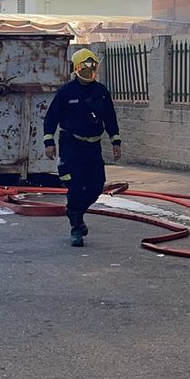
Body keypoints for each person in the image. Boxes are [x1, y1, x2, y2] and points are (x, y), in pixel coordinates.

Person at [43, 49, 121, 247]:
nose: (89, 71)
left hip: (93, 146)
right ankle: (76, 227)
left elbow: (110, 118)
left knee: (96, 184)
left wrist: (116, 141)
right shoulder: (66, 92)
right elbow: (51, 117)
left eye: (92, 67)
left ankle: (74, 212)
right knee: (75, 185)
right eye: (85, 67)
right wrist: (49, 142)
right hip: (71, 145)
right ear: (76, 69)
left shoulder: (101, 92)